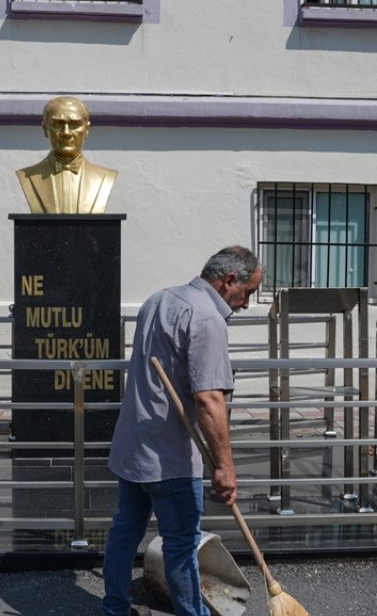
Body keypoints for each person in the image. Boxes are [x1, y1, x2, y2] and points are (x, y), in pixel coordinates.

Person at [102, 246, 263, 616]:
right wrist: (225, 467)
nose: (246, 304)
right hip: (172, 454)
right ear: (228, 281)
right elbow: (208, 400)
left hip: (133, 444)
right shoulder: (207, 319)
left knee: (124, 533)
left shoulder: (158, 300)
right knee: (181, 545)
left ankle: (114, 609)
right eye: (248, 293)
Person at [16, 96, 118, 214]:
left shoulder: (104, 178)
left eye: (74, 125)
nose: (66, 133)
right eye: (58, 124)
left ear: (87, 129)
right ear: (45, 129)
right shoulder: (27, 177)